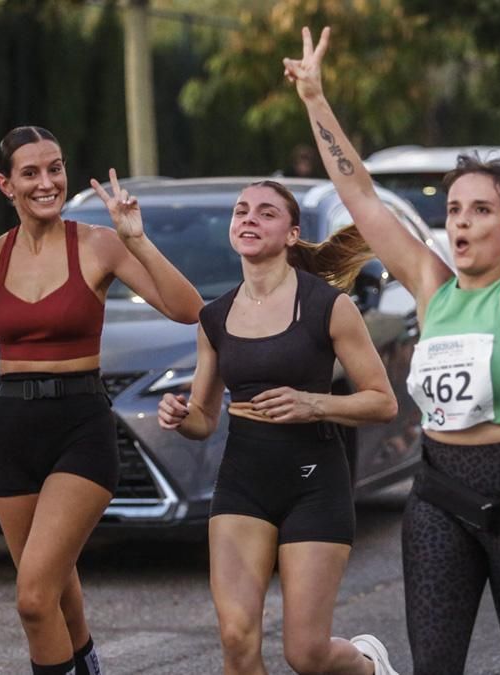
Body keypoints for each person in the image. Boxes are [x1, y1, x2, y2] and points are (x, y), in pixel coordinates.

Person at [286, 21, 500, 674]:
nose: (461, 221)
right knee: (434, 664)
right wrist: (316, 99)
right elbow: (361, 195)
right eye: (455, 209)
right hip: (440, 498)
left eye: (482, 210)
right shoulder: (432, 288)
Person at [0, 126, 202, 675]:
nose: (47, 182)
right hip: (13, 431)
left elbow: (187, 309)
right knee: (57, 586)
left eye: (56, 168)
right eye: (31, 172)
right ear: (6, 185)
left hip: (82, 427)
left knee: (32, 598)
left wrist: (137, 238)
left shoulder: (98, 244)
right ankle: (86, 663)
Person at [155, 179, 401, 675]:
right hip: (243, 483)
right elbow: (204, 419)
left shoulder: (328, 306)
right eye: (241, 211)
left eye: (266, 213)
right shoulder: (215, 318)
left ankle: (370, 665)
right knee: (236, 639)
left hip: (315, 483)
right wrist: (181, 418)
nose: (249, 219)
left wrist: (314, 403)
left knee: (306, 654)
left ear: (291, 234)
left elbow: (383, 402)